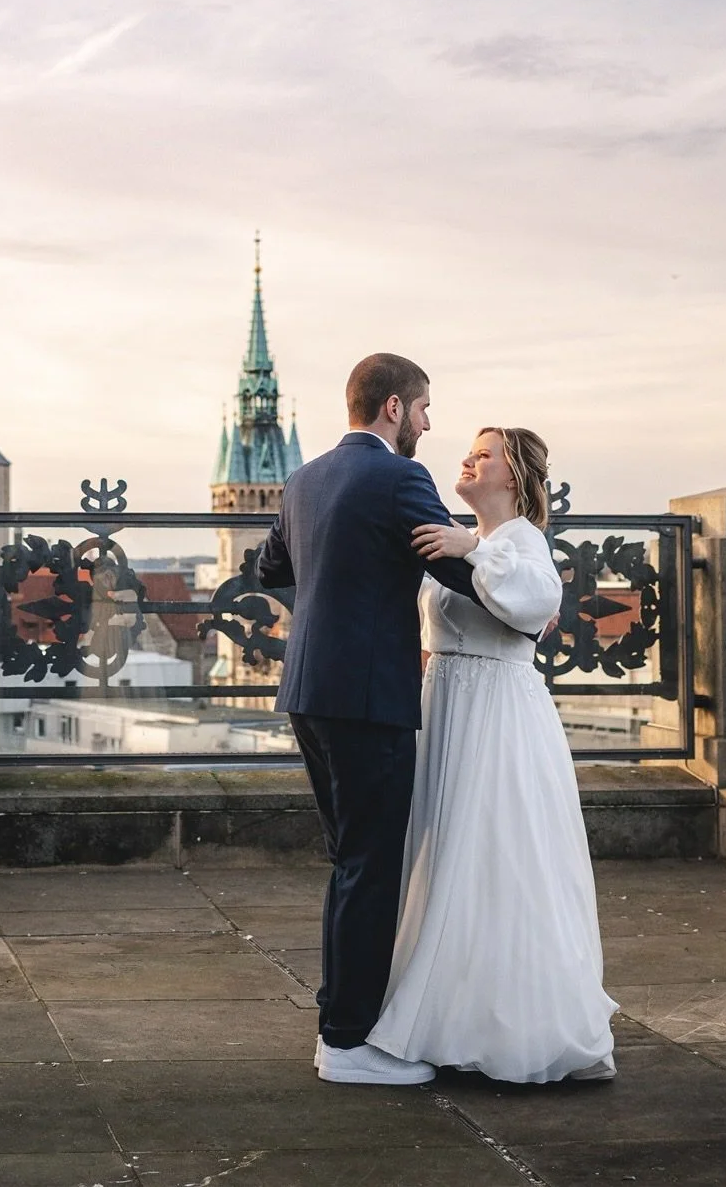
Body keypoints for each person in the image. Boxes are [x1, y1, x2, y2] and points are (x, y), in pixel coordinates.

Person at [256, 353, 498, 1088]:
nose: (427, 423)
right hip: (366, 695)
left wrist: (341, 571)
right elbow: (458, 571)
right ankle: (347, 1040)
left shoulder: (304, 478)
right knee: (371, 867)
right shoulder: (400, 476)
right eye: (423, 409)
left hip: (308, 688)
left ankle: (340, 1025)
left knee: (350, 862)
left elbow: (270, 570)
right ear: (394, 407)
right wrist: (512, 570)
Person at [368, 427, 618, 1083]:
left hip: (496, 709)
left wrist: (472, 548)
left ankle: (509, 1023)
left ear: (513, 476)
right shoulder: (460, 536)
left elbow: (538, 601)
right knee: (446, 849)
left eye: (483, 455)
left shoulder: (520, 539)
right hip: (444, 701)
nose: (467, 460)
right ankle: (449, 1007)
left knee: (497, 851)